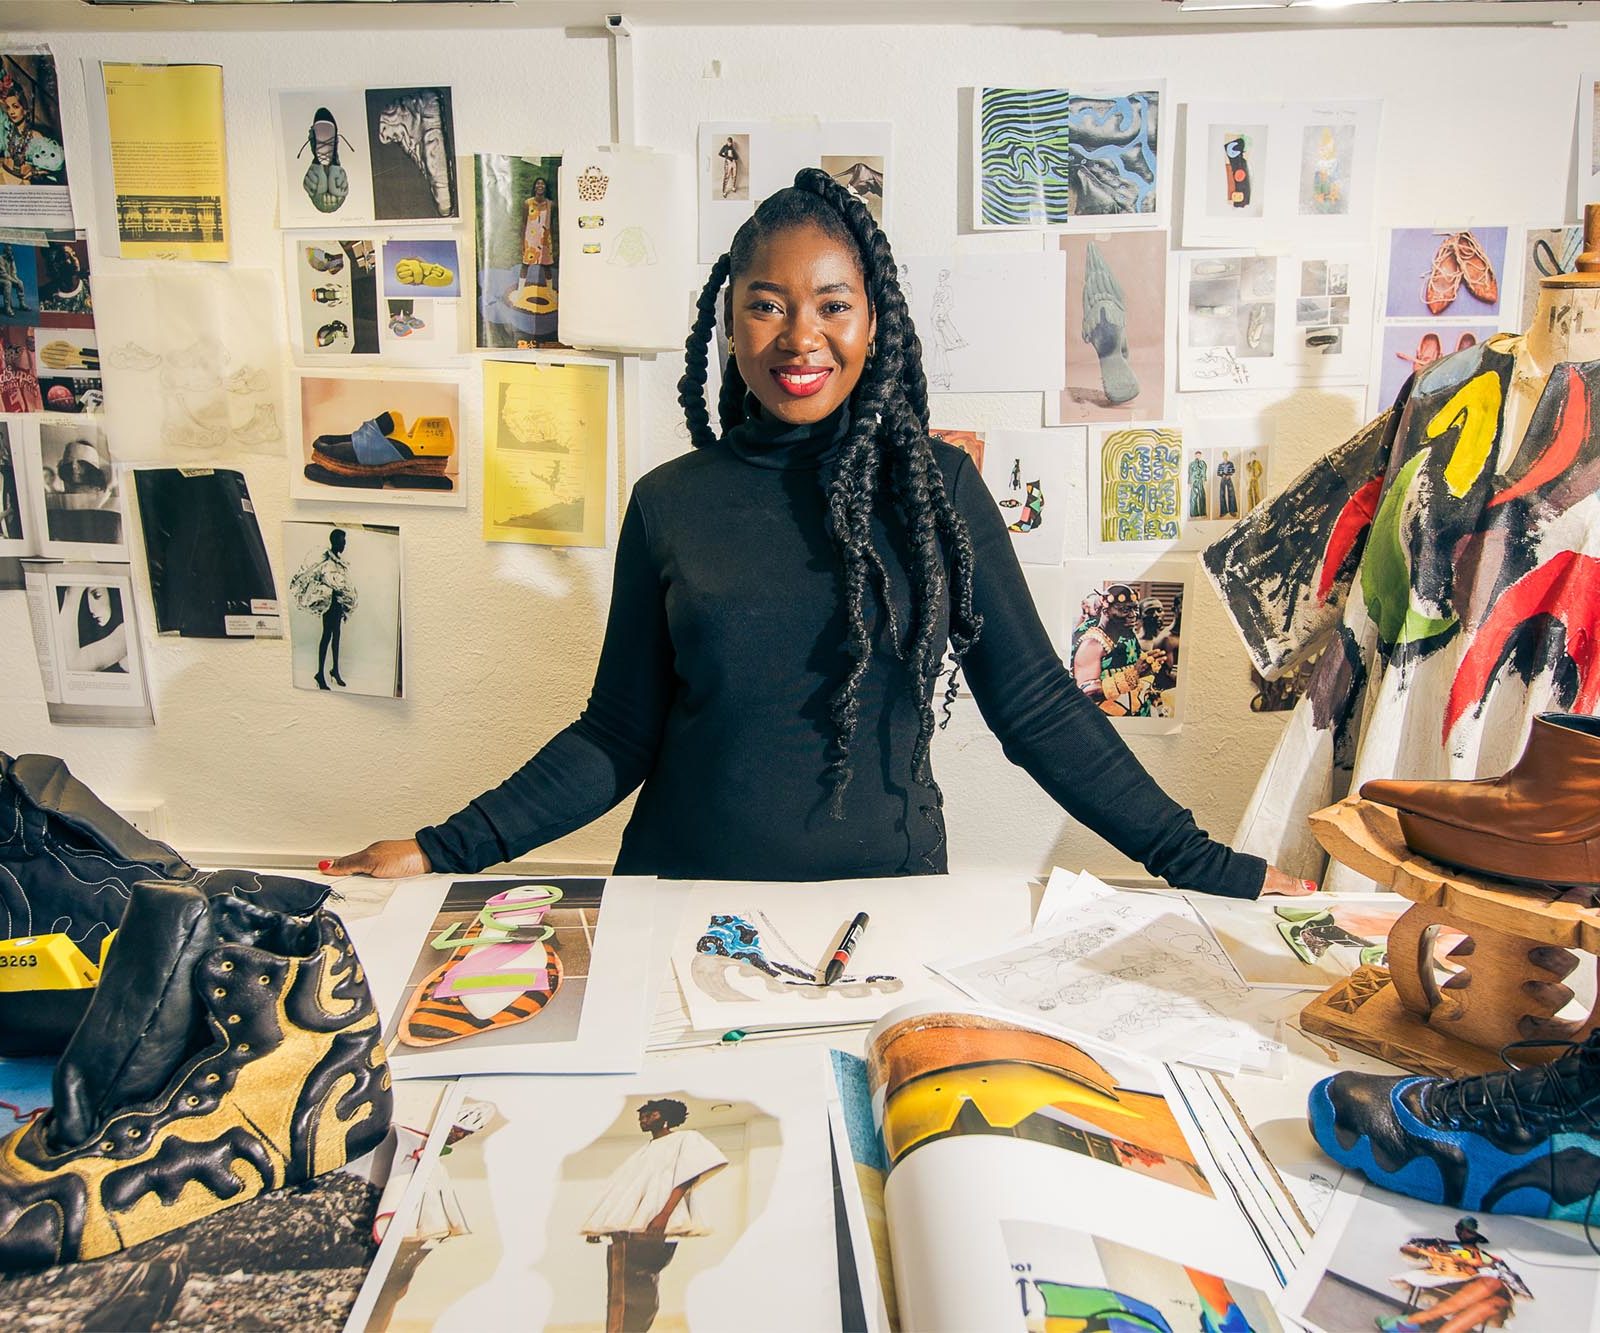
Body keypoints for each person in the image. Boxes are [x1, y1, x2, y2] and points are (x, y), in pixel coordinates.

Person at [327, 168, 1309, 899]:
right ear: (731, 324)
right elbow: (616, 735)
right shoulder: (670, 502)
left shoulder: (938, 492)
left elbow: (1042, 711)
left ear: (872, 324)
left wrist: (1208, 867)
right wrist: (444, 846)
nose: (801, 337)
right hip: (679, 905)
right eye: (768, 306)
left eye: (831, 305)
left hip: (884, 909)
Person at [580, 1099, 728, 1333]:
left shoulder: (683, 1139)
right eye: (642, 1115)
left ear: (666, 1115)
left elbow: (687, 1176)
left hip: (655, 1225)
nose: (644, 1118)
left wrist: (664, 1214)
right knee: (622, 1289)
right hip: (633, 1230)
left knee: (635, 1289)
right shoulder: (646, 1151)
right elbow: (627, 1193)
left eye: (651, 1114)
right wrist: (602, 1228)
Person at [289, 528, 357, 691]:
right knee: (327, 635)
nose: (344, 544)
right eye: (342, 541)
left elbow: (343, 583)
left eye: (345, 541)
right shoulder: (325, 561)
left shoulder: (339, 563)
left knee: (337, 636)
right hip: (329, 604)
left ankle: (335, 670)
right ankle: (320, 673)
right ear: (335, 542)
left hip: (338, 603)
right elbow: (317, 577)